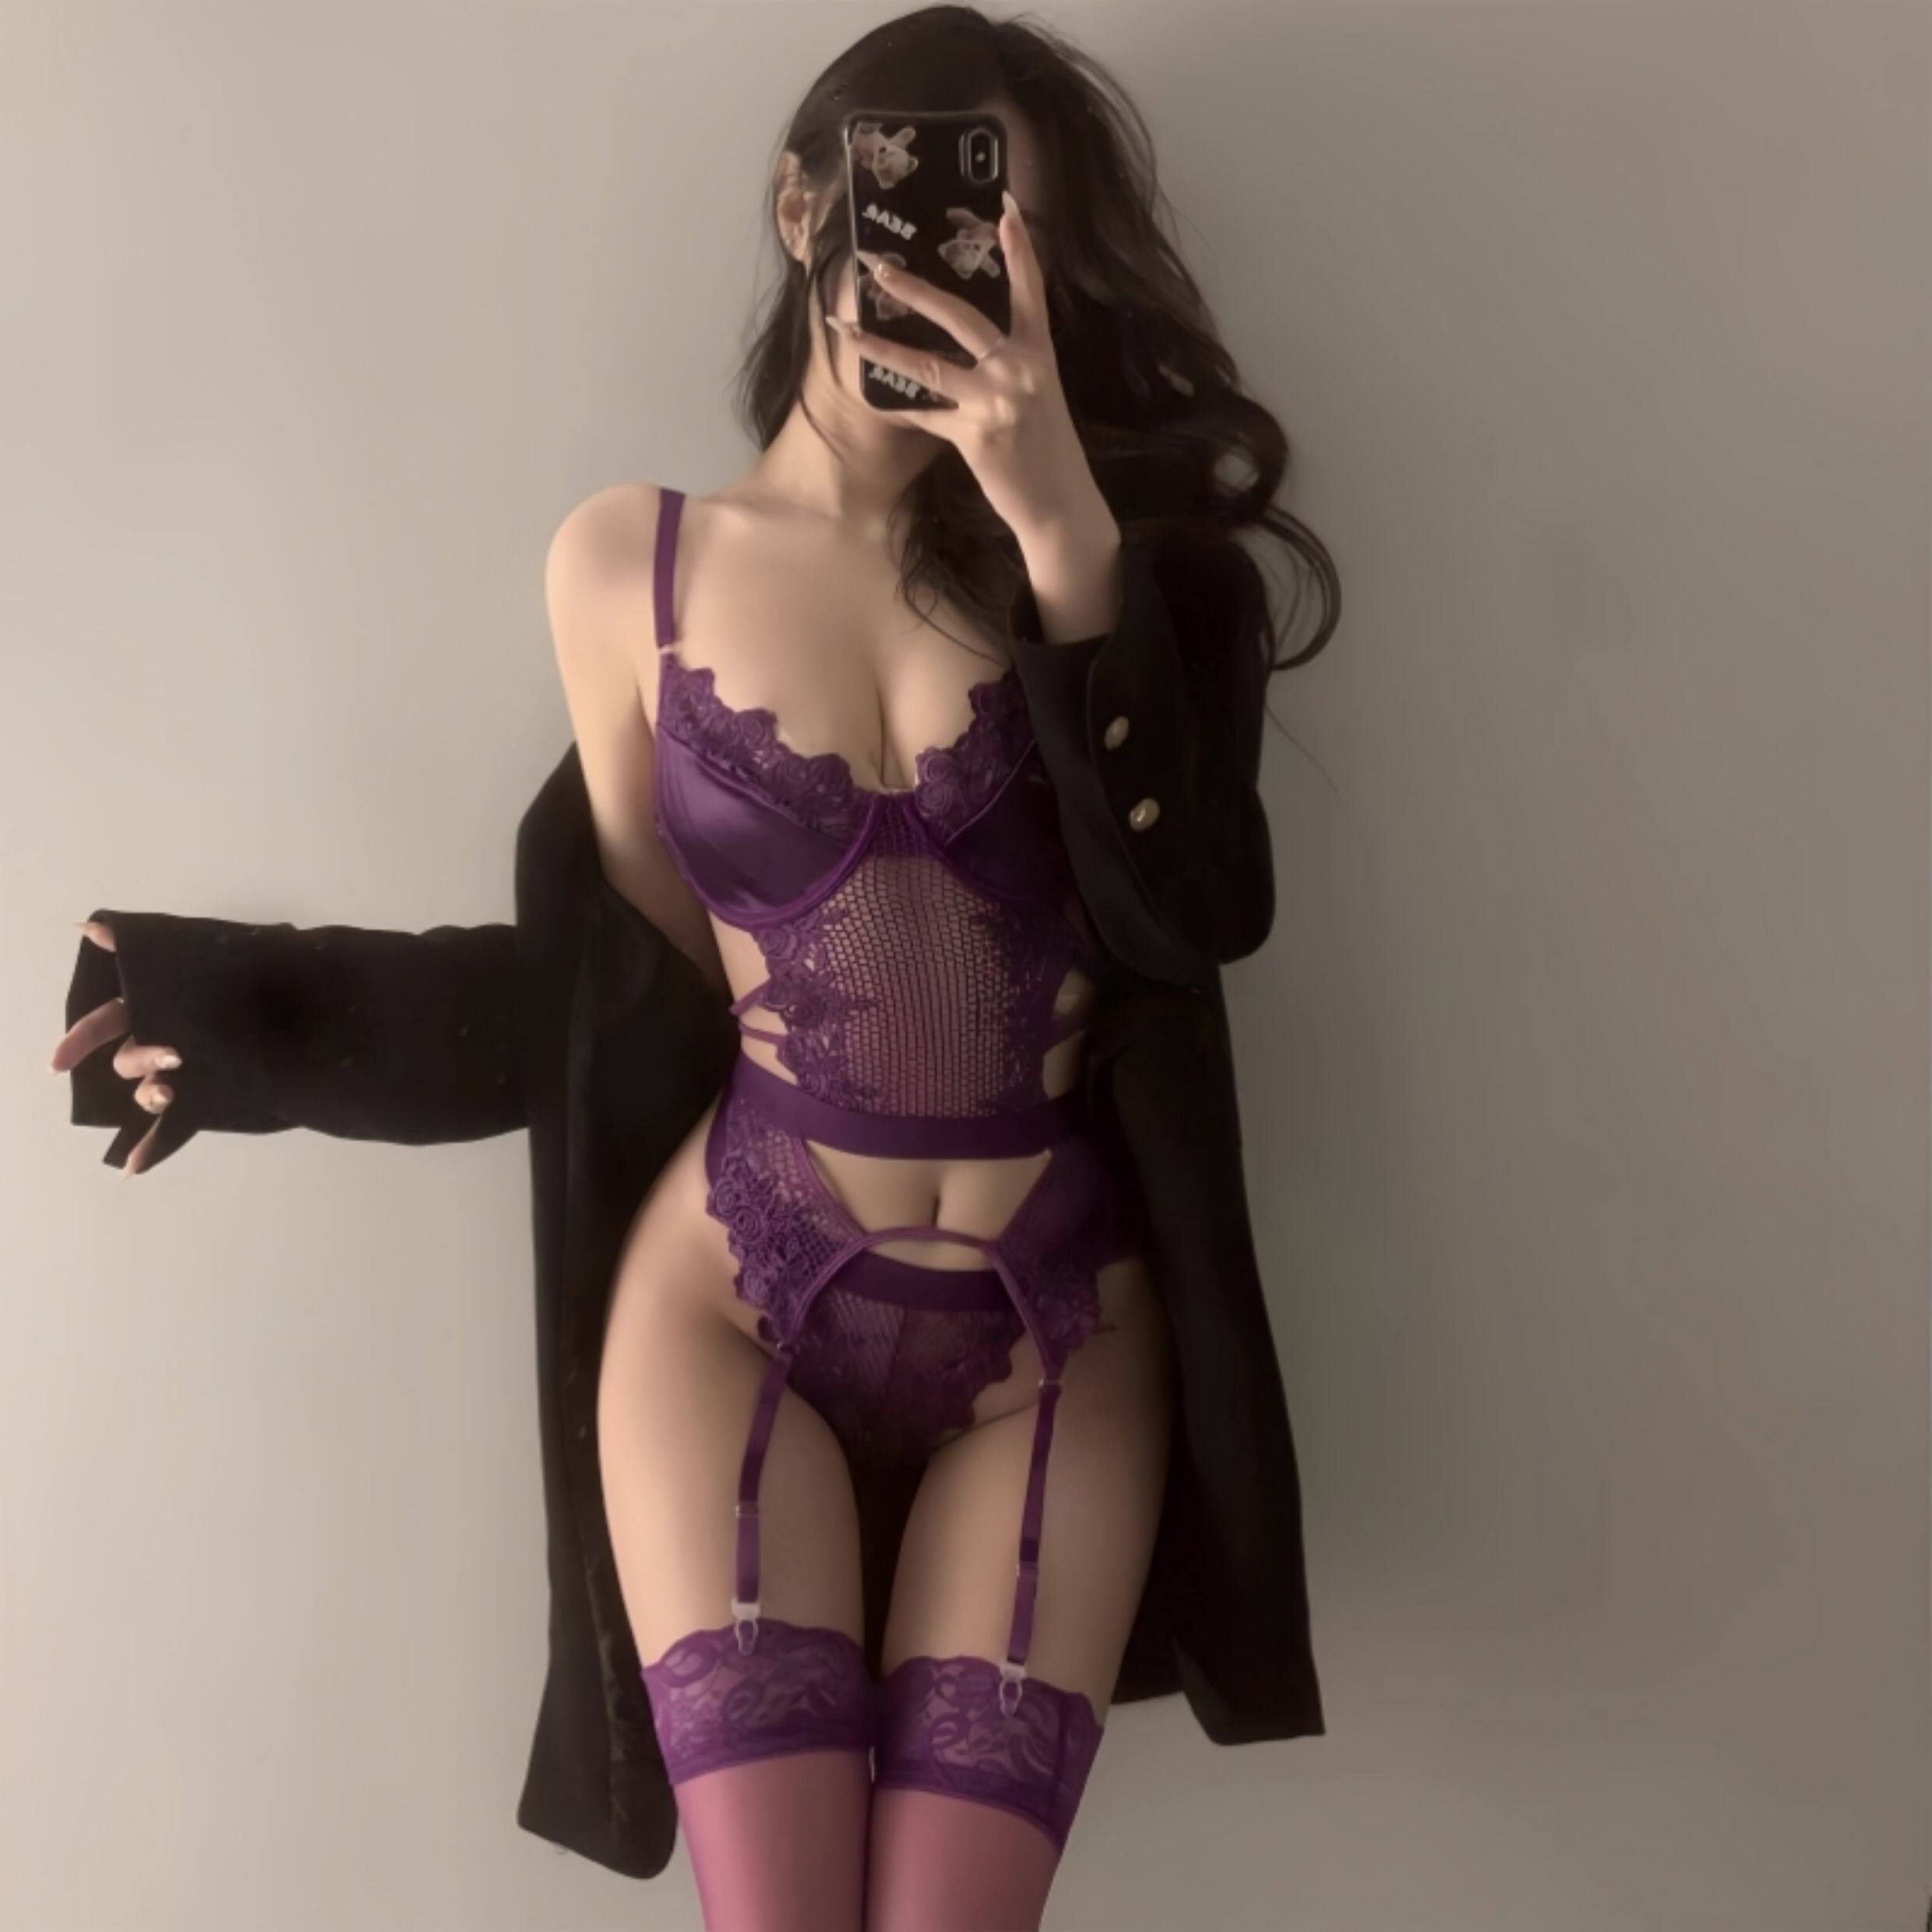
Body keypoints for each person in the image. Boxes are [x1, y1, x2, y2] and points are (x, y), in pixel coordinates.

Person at [51, 9, 1338, 1927]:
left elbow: (1189, 918)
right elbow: (617, 989)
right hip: (729, 1294)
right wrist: (249, 1021)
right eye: (919, 213)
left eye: (1007, 238)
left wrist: (1068, 544)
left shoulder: (1150, 587)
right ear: (806, 207)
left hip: (1059, 1332)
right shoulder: (626, 567)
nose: (960, 271)